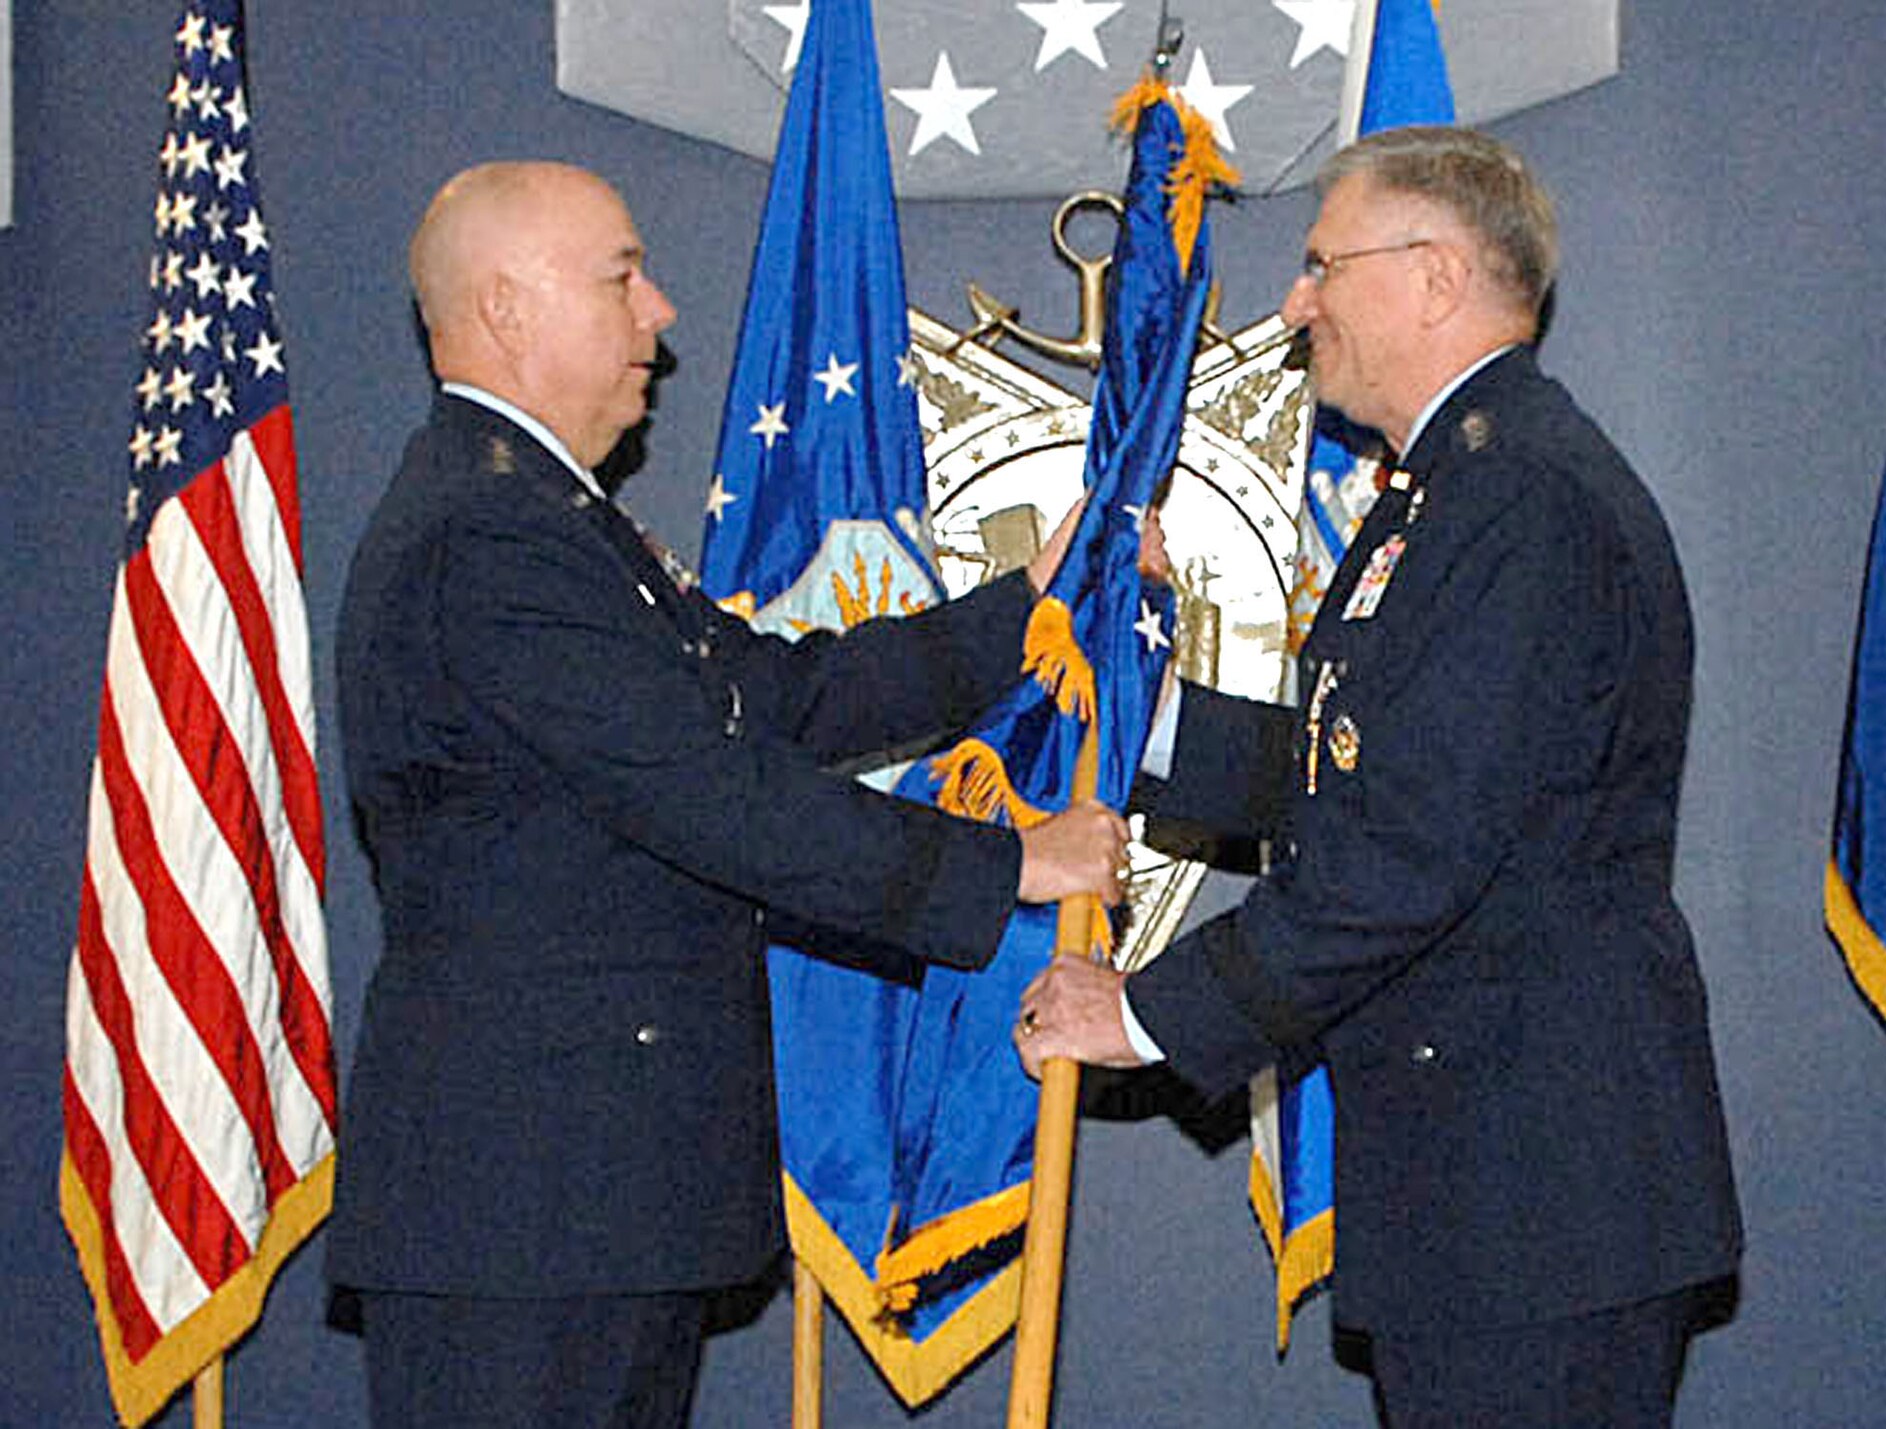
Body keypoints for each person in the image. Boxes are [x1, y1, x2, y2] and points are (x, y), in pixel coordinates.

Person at [328, 159, 1131, 1429]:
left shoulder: (544, 517)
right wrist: (1009, 864)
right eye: (620, 276)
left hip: (590, 1197)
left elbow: (766, 695)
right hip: (526, 1209)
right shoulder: (488, 535)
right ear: (505, 308)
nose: (661, 311)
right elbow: (705, 790)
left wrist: (1015, 616)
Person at [1016, 126, 1742, 1427]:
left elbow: (1414, 849)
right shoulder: (1455, 490)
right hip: (1495, 1185)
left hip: (1537, 1191)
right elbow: (1356, 765)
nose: (1297, 304)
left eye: (1319, 266)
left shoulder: (1518, 499)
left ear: (1432, 275)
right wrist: (1152, 709)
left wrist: (1141, 1015)